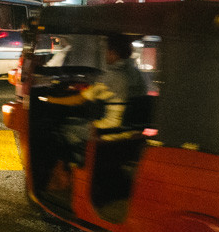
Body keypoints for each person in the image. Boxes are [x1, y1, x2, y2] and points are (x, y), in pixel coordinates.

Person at [46, 33, 149, 163]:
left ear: (112, 52)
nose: (105, 54)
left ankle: (82, 166)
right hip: (132, 131)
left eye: (106, 50)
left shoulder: (112, 76)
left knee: (66, 129)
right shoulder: (138, 75)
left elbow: (79, 99)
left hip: (110, 131)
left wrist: (51, 100)